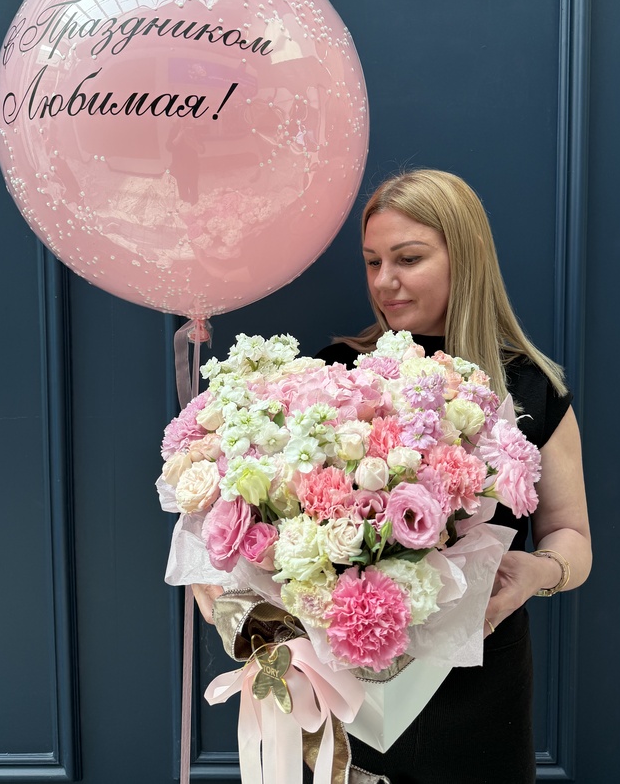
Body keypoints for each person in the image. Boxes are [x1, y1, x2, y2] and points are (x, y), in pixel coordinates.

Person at [193, 169, 592, 784]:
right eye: (372, 261)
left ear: (466, 259)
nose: (384, 281)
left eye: (408, 259)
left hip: (482, 692)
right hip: (346, 695)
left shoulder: (531, 388)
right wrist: (226, 578)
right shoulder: (332, 376)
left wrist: (538, 571)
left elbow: (572, 535)